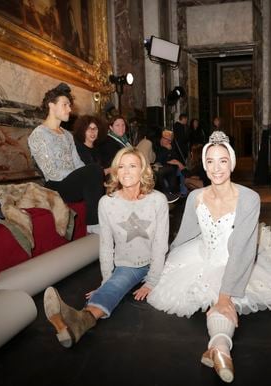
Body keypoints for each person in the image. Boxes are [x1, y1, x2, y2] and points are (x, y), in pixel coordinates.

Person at [148, 131, 271, 383]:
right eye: (210, 161)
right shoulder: (196, 197)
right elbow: (184, 235)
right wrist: (161, 265)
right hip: (200, 256)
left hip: (237, 262)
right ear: (204, 166)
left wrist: (225, 294)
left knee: (221, 302)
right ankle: (219, 348)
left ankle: (220, 346)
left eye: (222, 161)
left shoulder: (249, 198)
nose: (216, 168)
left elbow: (242, 248)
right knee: (215, 301)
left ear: (231, 163)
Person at [43, 148, 169, 348]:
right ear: (115, 171)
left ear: (143, 170)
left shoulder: (157, 200)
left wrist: (152, 281)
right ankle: (79, 322)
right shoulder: (107, 203)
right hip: (127, 265)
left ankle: (77, 320)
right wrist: (106, 280)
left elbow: (161, 244)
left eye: (132, 166)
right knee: (115, 286)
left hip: (158, 260)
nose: (126, 171)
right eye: (121, 166)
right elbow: (106, 244)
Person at [28, 83, 104, 234]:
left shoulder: (67, 134)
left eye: (69, 105)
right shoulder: (38, 134)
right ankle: (93, 224)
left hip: (71, 183)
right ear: (51, 106)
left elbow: (78, 163)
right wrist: (84, 179)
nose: (69, 109)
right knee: (94, 170)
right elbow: (51, 172)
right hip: (56, 186)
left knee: (95, 171)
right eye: (65, 105)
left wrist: (87, 178)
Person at [154, 129, 185, 200]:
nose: (169, 142)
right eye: (163, 137)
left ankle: (171, 192)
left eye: (169, 140)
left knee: (171, 169)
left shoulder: (171, 146)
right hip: (160, 167)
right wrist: (166, 150)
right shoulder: (156, 145)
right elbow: (158, 160)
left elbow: (176, 159)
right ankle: (167, 193)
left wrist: (170, 151)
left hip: (171, 168)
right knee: (160, 171)